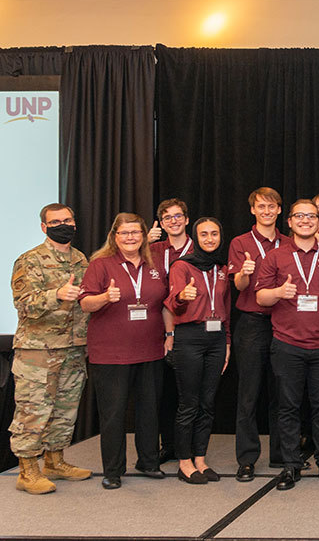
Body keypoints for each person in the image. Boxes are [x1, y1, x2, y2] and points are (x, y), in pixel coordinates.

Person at [256, 199, 319, 490]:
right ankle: (291, 465)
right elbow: (260, 298)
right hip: (287, 344)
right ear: (290, 221)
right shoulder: (276, 256)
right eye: (300, 216)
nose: (306, 220)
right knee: (288, 407)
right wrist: (279, 292)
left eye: (312, 216)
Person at [80, 213, 172, 489]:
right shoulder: (100, 265)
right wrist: (105, 297)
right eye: (124, 233)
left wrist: (169, 335)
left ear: (144, 236)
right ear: (114, 237)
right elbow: (85, 304)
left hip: (150, 349)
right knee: (114, 414)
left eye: (135, 232)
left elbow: (164, 304)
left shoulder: (155, 265)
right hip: (111, 353)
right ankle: (113, 470)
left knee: (149, 411)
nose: (130, 237)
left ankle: (148, 461)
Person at [9, 203, 91, 494]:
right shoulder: (30, 260)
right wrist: (56, 294)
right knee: (34, 410)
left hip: (73, 347)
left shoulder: (81, 260)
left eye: (68, 219)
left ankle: (55, 461)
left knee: (65, 410)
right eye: (56, 221)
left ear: (75, 223)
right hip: (38, 352)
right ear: (44, 227)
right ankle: (27, 470)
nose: (63, 225)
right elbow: (24, 303)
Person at [228, 187, 291, 481]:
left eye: (272, 206)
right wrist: (244, 273)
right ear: (252, 210)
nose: (266, 211)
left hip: (283, 322)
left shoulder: (288, 243)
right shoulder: (240, 243)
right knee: (249, 394)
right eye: (261, 206)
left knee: (282, 391)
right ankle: (248, 458)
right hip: (252, 324)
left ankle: (281, 454)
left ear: (280, 210)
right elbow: (239, 286)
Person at [165, 217, 231, 485]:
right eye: (204, 234)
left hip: (216, 340)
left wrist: (227, 343)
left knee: (207, 403)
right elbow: (172, 303)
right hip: (190, 337)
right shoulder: (182, 265)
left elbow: (226, 308)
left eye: (214, 234)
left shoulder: (222, 268)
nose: (210, 239)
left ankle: (201, 459)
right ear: (196, 237)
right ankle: (184, 462)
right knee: (189, 404)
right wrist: (182, 297)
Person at [148, 198, 193, 465]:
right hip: (153, 325)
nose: (173, 221)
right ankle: (168, 444)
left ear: (187, 219)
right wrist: (144, 241)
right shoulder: (152, 250)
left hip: (188, 324)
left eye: (178, 216)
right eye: (167, 218)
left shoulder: (198, 248)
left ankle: (187, 445)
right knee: (161, 389)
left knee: (186, 390)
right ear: (162, 224)